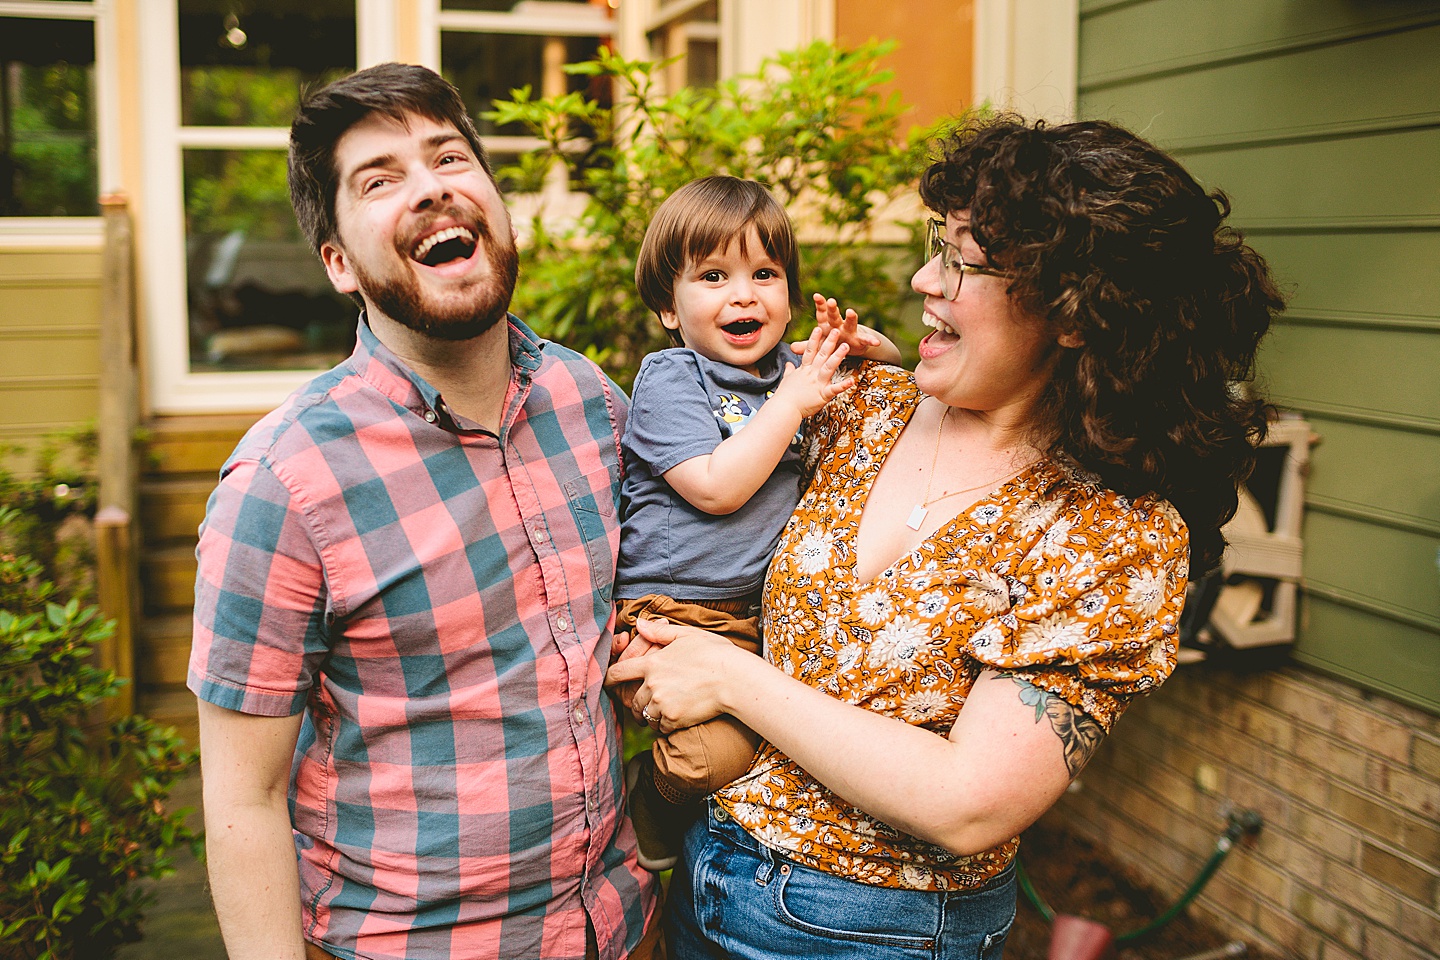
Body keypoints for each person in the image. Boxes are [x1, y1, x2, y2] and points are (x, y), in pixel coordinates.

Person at [607, 116, 1282, 959]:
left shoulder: (1111, 534)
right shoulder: (864, 410)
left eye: (962, 259)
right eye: (938, 243)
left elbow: (971, 803)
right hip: (706, 878)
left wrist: (731, 679)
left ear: (1074, 312)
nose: (926, 277)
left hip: (868, 933)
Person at [188, 63, 657, 960]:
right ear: (337, 264)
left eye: (449, 156)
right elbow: (241, 800)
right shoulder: (282, 485)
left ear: (495, 202)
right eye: (380, 177)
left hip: (621, 928)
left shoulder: (590, 401)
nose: (432, 186)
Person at [613, 176, 900, 871]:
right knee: (712, 755)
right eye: (714, 276)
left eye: (764, 274)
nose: (744, 294)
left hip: (763, 616)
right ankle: (646, 805)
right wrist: (792, 402)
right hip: (677, 611)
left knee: (804, 741)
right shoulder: (671, 379)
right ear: (668, 310)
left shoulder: (791, 373)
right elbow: (715, 488)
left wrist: (865, 349)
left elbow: (897, 384)